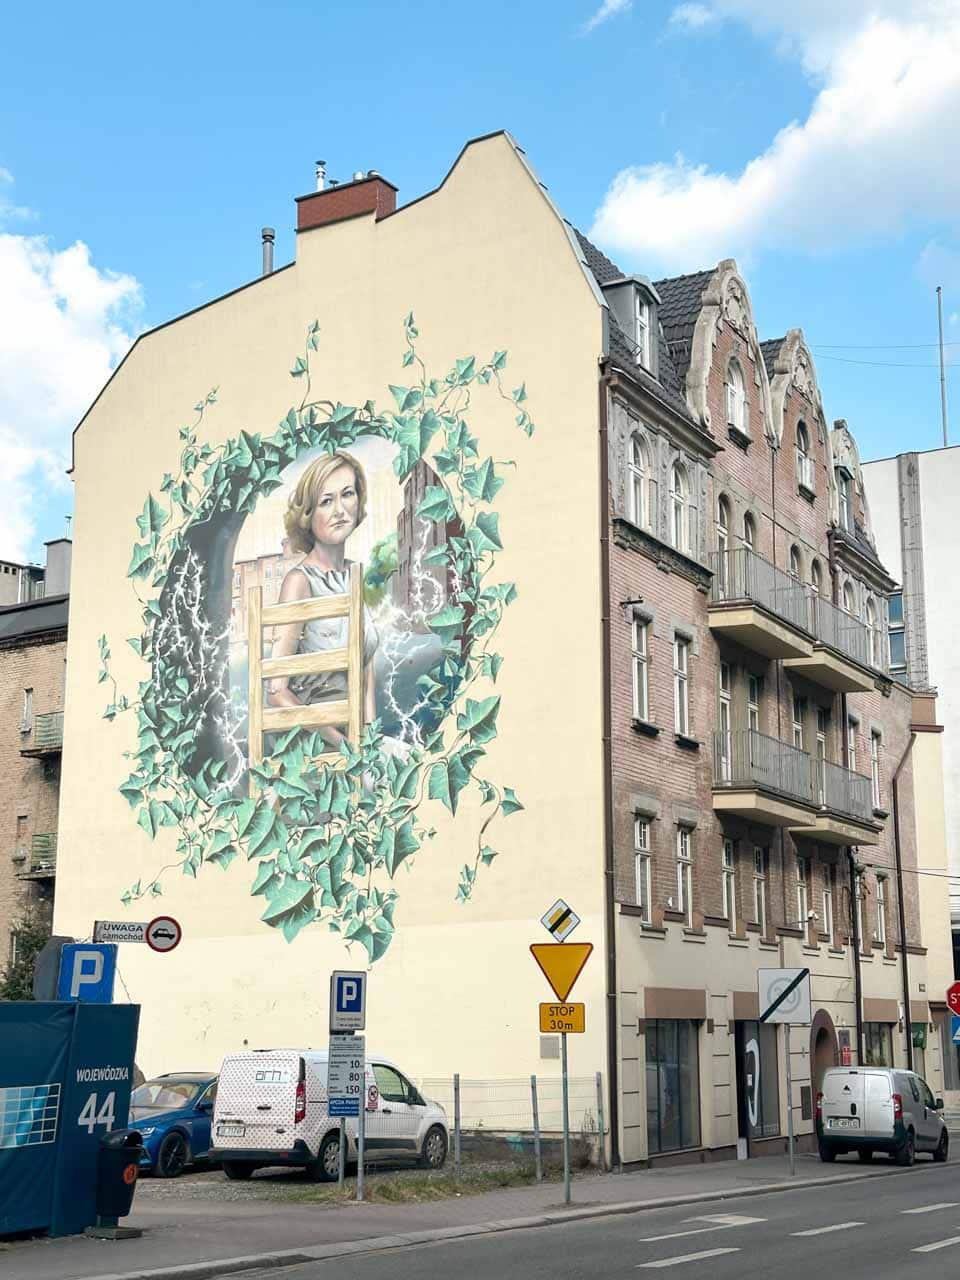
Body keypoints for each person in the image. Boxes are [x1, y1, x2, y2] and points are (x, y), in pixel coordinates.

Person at [267, 451, 378, 748]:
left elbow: (366, 670)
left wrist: (368, 737)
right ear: (308, 514)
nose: (340, 510)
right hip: (312, 743)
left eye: (348, 494)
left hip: (355, 739)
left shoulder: (355, 575)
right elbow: (276, 692)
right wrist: (341, 743)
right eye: (326, 501)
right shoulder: (299, 582)